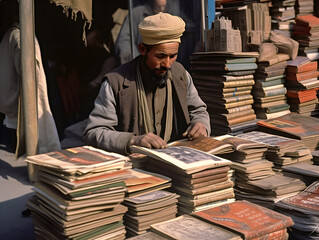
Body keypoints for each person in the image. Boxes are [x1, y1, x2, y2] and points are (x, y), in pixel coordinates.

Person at [83, 12, 210, 155]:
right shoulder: (115, 82)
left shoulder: (181, 75)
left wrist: (201, 125)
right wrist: (132, 141)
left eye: (172, 56)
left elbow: (199, 111)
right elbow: (94, 132)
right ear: (142, 49)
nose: (167, 64)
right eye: (160, 56)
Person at [114, 0, 170, 65]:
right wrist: (137, 63)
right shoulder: (136, 14)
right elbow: (124, 41)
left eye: (163, 7)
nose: (161, 9)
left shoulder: (171, 15)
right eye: (159, 7)